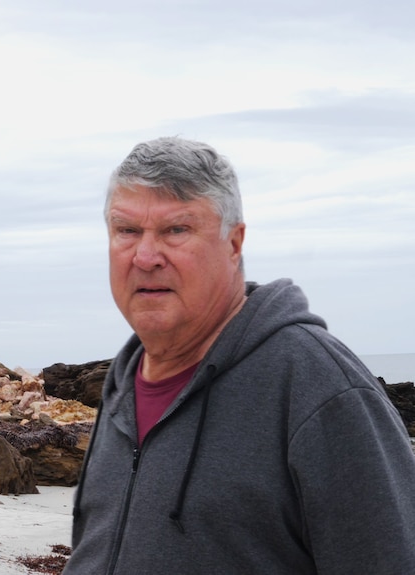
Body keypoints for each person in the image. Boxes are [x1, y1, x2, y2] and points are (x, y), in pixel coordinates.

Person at [62, 136, 415, 574]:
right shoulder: (121, 386)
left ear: (234, 243)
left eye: (176, 230)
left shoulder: (318, 388)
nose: (146, 256)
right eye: (127, 231)